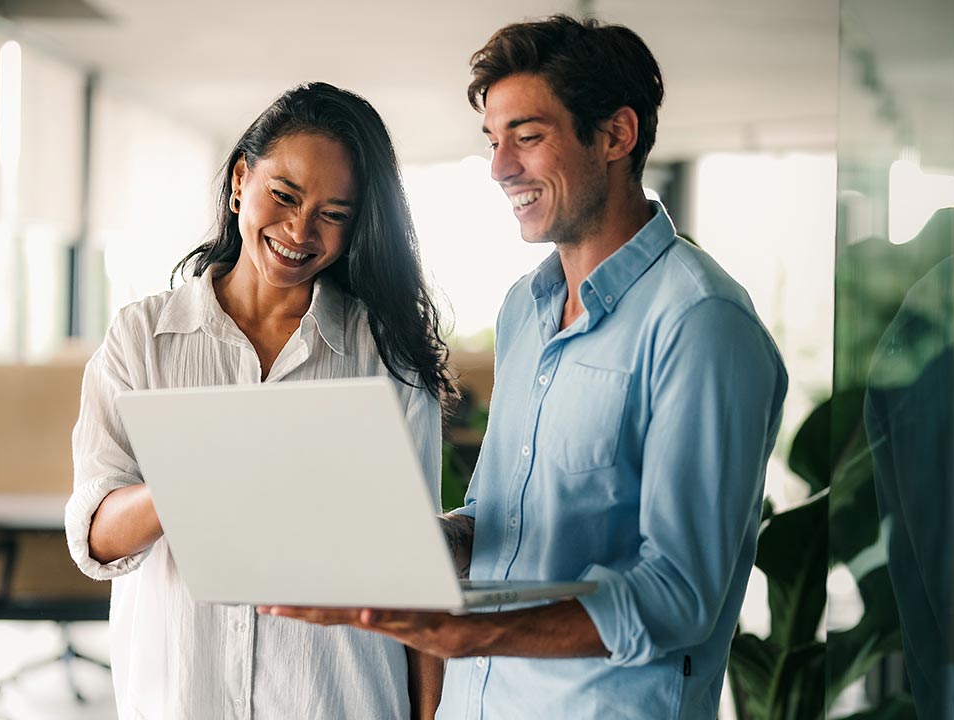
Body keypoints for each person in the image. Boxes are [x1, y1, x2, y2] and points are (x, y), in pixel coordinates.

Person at [266, 17, 788, 718]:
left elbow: (679, 594)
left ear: (615, 135)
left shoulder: (702, 323)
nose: (499, 167)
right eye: (493, 139)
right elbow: (498, 517)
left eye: (528, 137)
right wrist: (420, 542)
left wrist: (466, 631)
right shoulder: (526, 310)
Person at [64, 82, 455, 720]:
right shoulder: (142, 338)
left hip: (338, 700)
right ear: (241, 179)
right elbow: (96, 537)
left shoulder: (383, 354)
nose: (300, 230)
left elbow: (416, 576)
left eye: (334, 213)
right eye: (285, 195)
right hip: (184, 699)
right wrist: (199, 469)